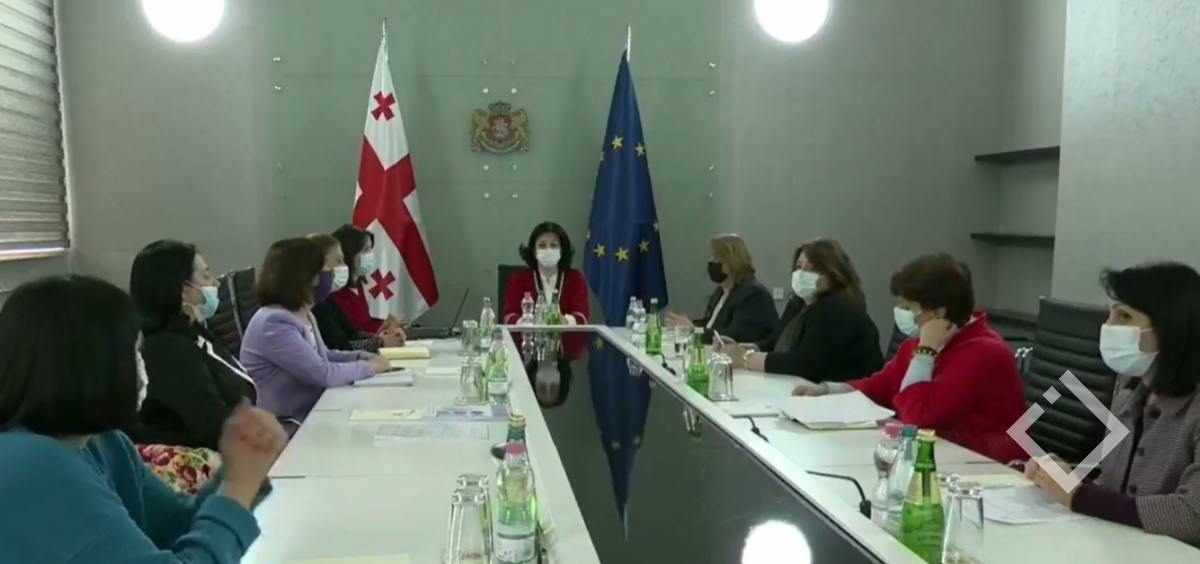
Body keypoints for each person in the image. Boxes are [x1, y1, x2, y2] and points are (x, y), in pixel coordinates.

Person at [0, 275, 286, 564]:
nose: (141, 366)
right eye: (135, 353)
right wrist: (239, 485)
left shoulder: (104, 442)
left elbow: (173, 526)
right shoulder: (31, 465)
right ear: (94, 365)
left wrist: (238, 469)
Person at [793, 253, 1027, 462]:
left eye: (909, 307)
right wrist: (826, 391)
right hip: (943, 452)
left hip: (988, 463)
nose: (901, 314)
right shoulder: (917, 343)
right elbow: (882, 385)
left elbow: (917, 417)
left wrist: (925, 351)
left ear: (939, 313)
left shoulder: (983, 353)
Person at [1026, 262, 1200, 544]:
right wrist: (1063, 478)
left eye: (1124, 316)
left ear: (1169, 328)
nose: (1108, 326)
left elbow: (1192, 515)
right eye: (1109, 314)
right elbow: (1113, 489)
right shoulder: (1129, 399)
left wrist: (1078, 495)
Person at [240, 238, 391, 432]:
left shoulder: (304, 313)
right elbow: (322, 373)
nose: (331, 274)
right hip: (287, 426)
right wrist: (370, 367)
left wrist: (360, 356)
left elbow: (324, 355)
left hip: (312, 413)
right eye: (325, 269)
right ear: (307, 276)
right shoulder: (275, 322)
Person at [126, 240, 257, 451]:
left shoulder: (191, 330)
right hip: (201, 461)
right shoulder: (167, 349)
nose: (215, 283)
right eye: (205, 276)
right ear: (182, 288)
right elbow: (214, 426)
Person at [719, 239, 883, 382]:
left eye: (811, 269)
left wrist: (746, 358)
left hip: (847, 396)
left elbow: (802, 364)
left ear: (832, 274)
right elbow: (774, 343)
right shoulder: (797, 304)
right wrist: (741, 348)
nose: (801, 273)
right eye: (798, 267)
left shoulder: (837, 309)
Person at [665, 234, 777, 344]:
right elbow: (710, 324)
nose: (710, 262)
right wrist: (689, 324)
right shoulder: (721, 291)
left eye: (715, 258)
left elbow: (733, 336)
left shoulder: (752, 295)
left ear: (731, 262)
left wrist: (694, 330)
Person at [502, 221, 590, 360]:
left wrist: (565, 321)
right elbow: (509, 316)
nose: (548, 250)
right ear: (534, 250)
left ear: (562, 250)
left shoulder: (575, 278)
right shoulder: (519, 279)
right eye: (542, 245)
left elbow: (582, 316)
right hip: (525, 353)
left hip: (564, 355)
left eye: (553, 245)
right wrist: (525, 322)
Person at [308, 234, 405, 353]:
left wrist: (384, 337)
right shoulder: (316, 305)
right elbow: (338, 347)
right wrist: (379, 342)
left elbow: (352, 333)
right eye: (339, 261)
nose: (344, 265)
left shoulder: (328, 301)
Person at [328, 224, 404, 335]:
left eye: (370, 249)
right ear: (349, 254)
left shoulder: (358, 285)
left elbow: (366, 322)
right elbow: (353, 333)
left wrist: (386, 324)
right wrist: (383, 329)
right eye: (365, 250)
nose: (370, 255)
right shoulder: (336, 292)